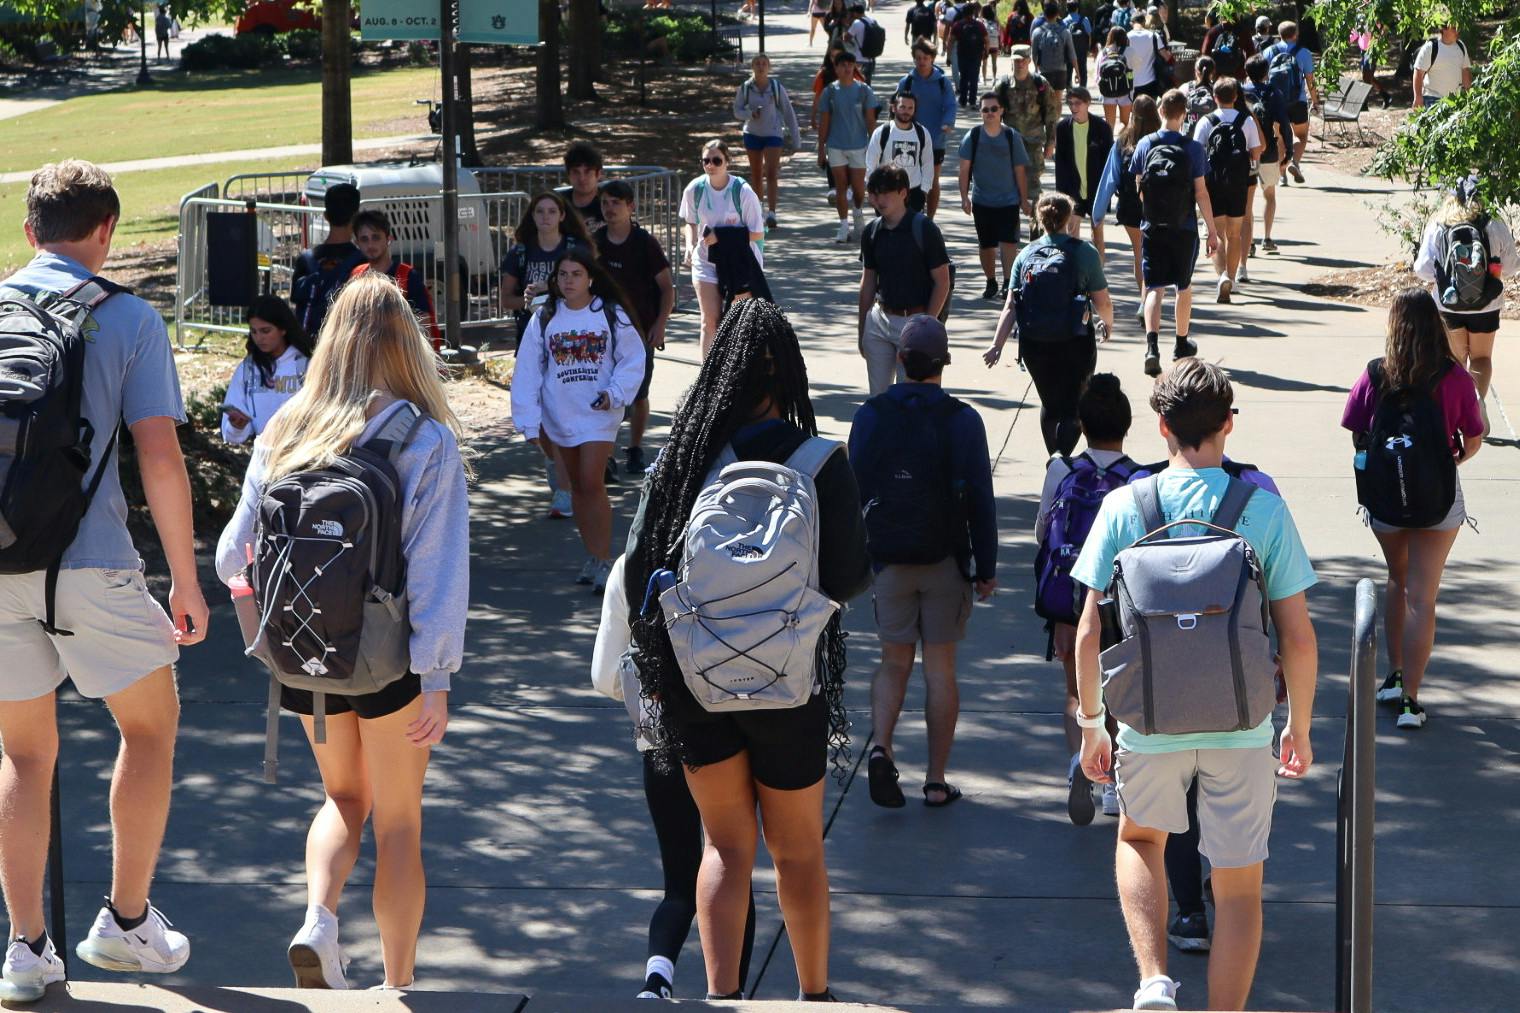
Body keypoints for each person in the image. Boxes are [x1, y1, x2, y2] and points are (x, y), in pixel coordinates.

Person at [214, 273, 468, 991]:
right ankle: (397, 985)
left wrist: (266, 622)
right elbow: (437, 574)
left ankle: (318, 920)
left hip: (304, 659)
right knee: (399, 823)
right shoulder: (426, 439)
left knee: (342, 801)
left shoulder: (288, 425)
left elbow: (234, 554)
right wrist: (438, 677)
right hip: (390, 666)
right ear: (405, 346)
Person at [0, 160, 208, 1002]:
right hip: (92, 563)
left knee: (21, 752)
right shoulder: (128, 318)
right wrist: (185, 582)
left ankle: (23, 947)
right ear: (109, 230)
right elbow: (158, 456)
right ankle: (126, 925)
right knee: (150, 727)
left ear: (29, 233)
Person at [624, 299, 871, 1003]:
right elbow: (851, 576)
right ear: (785, 375)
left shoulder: (684, 458)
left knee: (725, 850)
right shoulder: (822, 461)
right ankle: (813, 995)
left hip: (697, 683)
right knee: (798, 852)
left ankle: (723, 997)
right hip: (791, 682)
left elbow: (640, 571)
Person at [1073, 357, 1319, 1013]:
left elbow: (1089, 630)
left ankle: (1154, 980)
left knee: (1139, 838)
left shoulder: (1126, 505)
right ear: (1228, 425)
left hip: (1149, 721)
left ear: (1160, 427)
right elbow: (1297, 635)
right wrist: (1297, 724)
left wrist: (1093, 723)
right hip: (1240, 721)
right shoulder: (1261, 509)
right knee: (1238, 888)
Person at [592, 561, 759, 1000]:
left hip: (662, 741)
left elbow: (604, 676)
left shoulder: (630, 565)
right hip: (730, 737)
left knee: (679, 882)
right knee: (732, 866)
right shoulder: (742, 553)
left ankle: (657, 978)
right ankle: (728, 993)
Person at [850, 315, 998, 810]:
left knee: (893, 662)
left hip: (888, 558)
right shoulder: (962, 420)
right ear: (944, 363)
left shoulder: (870, 416)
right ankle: (935, 780)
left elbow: (856, 489)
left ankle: (881, 747)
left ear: (899, 359)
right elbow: (980, 497)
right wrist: (987, 565)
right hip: (945, 559)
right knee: (940, 668)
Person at [1341, 289, 1483, 731]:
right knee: (1423, 596)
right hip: (1437, 500)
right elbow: (1474, 436)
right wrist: (1451, 458)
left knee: (1397, 578)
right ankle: (1410, 702)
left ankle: (1394, 673)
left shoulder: (1375, 375)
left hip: (1386, 501)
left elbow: (1355, 429)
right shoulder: (1455, 378)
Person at [512, 247, 645, 593]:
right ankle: (593, 556)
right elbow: (527, 369)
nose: (568, 281)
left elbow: (633, 358)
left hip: (599, 413)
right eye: (562, 275)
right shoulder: (545, 317)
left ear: (591, 278)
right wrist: (527, 419)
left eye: (576, 274)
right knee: (576, 489)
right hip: (560, 413)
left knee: (591, 481)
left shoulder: (611, 314)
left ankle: (605, 562)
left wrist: (615, 393)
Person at [1032, 373, 1132, 824]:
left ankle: (1080, 763)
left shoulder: (1062, 470)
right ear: (1126, 424)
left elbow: (1041, 532)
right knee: (1120, 691)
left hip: (1070, 600)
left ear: (1082, 424)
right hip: (1119, 603)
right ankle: (1115, 786)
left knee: (1077, 690)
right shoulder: (1140, 477)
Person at [984, 192, 1114, 456]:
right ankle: (1061, 459)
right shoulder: (1084, 253)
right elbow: (1103, 301)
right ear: (1069, 218)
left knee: (1050, 404)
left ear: (1039, 220)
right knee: (1074, 405)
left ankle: (1053, 459)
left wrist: (996, 345)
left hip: (1035, 343)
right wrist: (1107, 323)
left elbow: (1010, 305)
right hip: (1075, 341)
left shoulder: (1026, 254)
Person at [502, 191, 595, 519]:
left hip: (572, 343)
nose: (545, 217)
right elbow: (507, 300)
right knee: (544, 419)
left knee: (568, 413)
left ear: (561, 215)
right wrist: (528, 299)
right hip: (534, 343)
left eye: (551, 211)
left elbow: (593, 291)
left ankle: (569, 486)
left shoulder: (574, 251)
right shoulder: (521, 253)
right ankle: (562, 480)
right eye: (539, 211)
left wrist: (552, 290)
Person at [1412, 180, 1517, 430]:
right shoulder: (1493, 223)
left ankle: (1457, 411)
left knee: (1455, 360)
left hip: (1448, 305)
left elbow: (1422, 269)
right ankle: (1477, 401)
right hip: (1487, 304)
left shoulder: (1439, 225)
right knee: (1481, 357)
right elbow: (1513, 265)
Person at [1131, 88, 1218, 377]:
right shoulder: (1192, 148)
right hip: (1184, 228)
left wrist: (1155, 210)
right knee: (1183, 286)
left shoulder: (1145, 144)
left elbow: (1139, 188)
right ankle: (1181, 343)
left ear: (1160, 111)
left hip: (1153, 226)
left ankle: (1151, 347)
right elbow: (1202, 192)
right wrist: (1212, 230)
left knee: (1154, 287)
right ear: (1183, 115)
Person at [596, 180, 675, 477]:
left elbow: (667, 289)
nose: (610, 208)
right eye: (605, 203)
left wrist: (660, 324)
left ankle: (636, 448)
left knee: (639, 395)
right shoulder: (596, 243)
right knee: (606, 394)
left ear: (631, 207)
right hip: (603, 334)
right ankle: (605, 455)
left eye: (616, 202)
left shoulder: (645, 243)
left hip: (641, 332)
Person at [858, 166, 953, 394]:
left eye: (886, 193)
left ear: (903, 193)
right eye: (874, 193)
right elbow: (868, 280)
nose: (879, 200)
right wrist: (862, 327)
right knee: (879, 400)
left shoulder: (924, 229)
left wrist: (924, 327)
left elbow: (942, 281)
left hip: (914, 321)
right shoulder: (871, 231)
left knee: (912, 397)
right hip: (879, 321)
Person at [680, 139, 767, 355]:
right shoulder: (694, 189)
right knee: (709, 321)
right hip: (705, 261)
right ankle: (708, 380)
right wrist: (690, 245)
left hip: (739, 263)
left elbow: (757, 233)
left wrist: (722, 236)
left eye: (716, 160)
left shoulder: (743, 192)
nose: (710, 165)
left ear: (727, 161)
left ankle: (737, 375)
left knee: (738, 323)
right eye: (706, 161)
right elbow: (690, 222)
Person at [1192, 77, 1263, 303]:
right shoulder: (1247, 120)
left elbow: (1196, 152)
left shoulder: (1206, 121)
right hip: (1238, 183)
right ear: (1235, 97)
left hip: (1213, 183)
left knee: (1218, 233)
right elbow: (1256, 152)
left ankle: (1221, 275)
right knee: (1235, 234)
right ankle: (1231, 279)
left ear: (1215, 98)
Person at [959, 91, 1034, 299]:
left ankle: (1009, 282)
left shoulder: (1012, 137)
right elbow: (964, 170)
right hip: (982, 201)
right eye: (985, 110)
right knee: (986, 245)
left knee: (1009, 243)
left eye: (993, 109)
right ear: (981, 113)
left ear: (1001, 111)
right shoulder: (972, 137)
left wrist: (1023, 199)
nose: (990, 113)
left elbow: (1020, 170)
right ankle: (991, 280)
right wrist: (964, 197)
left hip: (1008, 200)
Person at [1094, 91, 1160, 306]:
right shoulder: (1161, 139)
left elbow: (1109, 178)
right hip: (1159, 205)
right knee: (1154, 253)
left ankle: (1144, 303)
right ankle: (1150, 298)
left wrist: (1098, 213)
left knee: (1139, 253)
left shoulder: (1122, 141)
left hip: (1130, 206)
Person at [220, 295, 314, 445]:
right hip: (263, 458)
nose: (259, 338)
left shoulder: (307, 365)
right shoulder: (247, 369)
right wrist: (237, 426)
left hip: (302, 457)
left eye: (265, 331)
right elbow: (231, 437)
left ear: (283, 329)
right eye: (254, 331)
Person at [350, 209, 441, 349]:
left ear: (388, 240)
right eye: (364, 239)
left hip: (401, 360)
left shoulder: (407, 276)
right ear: (357, 243)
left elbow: (425, 326)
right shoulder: (356, 276)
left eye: (376, 237)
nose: (370, 245)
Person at [995, 45, 1060, 233]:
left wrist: (1051, 141)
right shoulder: (1003, 85)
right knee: (1009, 187)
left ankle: (1036, 230)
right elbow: (992, 113)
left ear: (1029, 61)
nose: (1020, 63)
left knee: (1034, 188)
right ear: (1012, 61)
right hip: (1009, 145)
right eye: (1016, 60)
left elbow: (1051, 114)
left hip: (1033, 144)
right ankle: (1010, 229)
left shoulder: (1041, 84)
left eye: (1023, 60)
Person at [734, 54, 803, 231]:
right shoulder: (746, 88)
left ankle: (772, 212)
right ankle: (759, 210)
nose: (761, 67)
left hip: (773, 134)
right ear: (752, 67)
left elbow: (788, 111)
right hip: (752, 134)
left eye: (764, 64)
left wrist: (796, 138)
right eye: (757, 64)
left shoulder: (776, 87)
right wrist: (750, 114)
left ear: (769, 67)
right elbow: (737, 111)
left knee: (771, 172)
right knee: (756, 174)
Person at [817, 52, 880, 245]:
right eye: (842, 65)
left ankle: (858, 214)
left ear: (855, 67)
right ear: (836, 68)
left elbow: (870, 121)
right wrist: (821, 148)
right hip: (836, 146)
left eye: (850, 65)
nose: (846, 68)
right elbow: (824, 122)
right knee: (841, 187)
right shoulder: (829, 92)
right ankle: (844, 226)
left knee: (859, 189)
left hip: (859, 146)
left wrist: (875, 146)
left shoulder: (864, 91)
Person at [291, 181, 364, 340]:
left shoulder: (306, 260)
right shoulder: (362, 262)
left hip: (312, 347)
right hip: (346, 344)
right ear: (356, 215)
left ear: (325, 215)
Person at [895, 41, 958, 217]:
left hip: (935, 139)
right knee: (906, 178)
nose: (922, 62)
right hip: (908, 139)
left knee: (931, 180)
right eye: (918, 58)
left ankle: (928, 219)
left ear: (932, 59)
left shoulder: (942, 83)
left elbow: (950, 105)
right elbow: (896, 106)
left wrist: (947, 123)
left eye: (926, 58)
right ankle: (905, 214)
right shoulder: (906, 82)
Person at [1241, 54, 1291, 256]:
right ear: (1266, 72)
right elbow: (1284, 124)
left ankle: (1249, 241)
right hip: (1269, 151)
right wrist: (1288, 151)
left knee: (1247, 200)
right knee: (1269, 195)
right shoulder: (1273, 93)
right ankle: (1267, 238)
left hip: (1247, 153)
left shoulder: (1241, 93)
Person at [1054, 85, 1113, 255]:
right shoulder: (1063, 128)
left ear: (1088, 103)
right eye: (1070, 103)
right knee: (1072, 234)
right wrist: (1061, 195)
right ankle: (1075, 274)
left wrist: (1109, 191)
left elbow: (1109, 163)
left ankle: (1097, 275)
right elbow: (1061, 164)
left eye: (1077, 103)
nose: (1073, 108)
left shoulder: (1102, 128)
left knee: (1097, 235)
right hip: (1073, 190)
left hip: (1097, 191)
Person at [865, 90, 936, 214]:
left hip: (914, 192)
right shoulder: (882, 132)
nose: (906, 111)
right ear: (894, 108)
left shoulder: (922, 133)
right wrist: (872, 191)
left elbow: (928, 164)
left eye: (910, 108)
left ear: (914, 110)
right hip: (885, 192)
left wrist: (924, 191)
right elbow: (871, 164)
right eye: (902, 107)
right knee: (887, 231)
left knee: (912, 232)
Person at [1262, 21, 1316, 184]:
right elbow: (1310, 80)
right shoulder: (1304, 53)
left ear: (1279, 34)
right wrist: (1315, 100)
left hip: (1276, 102)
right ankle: (1294, 162)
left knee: (1279, 138)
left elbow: (1264, 78)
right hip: (1297, 102)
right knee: (1301, 136)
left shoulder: (1269, 51)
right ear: (1295, 34)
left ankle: (1282, 175)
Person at [1411, 19, 1471, 107]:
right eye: (1454, 28)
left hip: (1455, 100)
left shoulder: (1461, 46)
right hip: (1432, 99)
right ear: (1444, 29)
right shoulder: (1430, 47)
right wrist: (1418, 97)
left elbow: (1465, 71)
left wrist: (1468, 95)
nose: (1457, 31)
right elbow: (1418, 73)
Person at [1031, 0, 1079, 97]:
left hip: (1044, 72)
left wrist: (1036, 70)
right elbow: (1072, 54)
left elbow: (1034, 54)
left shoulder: (1037, 32)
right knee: (1058, 102)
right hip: (1061, 72)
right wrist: (1077, 72)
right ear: (1057, 14)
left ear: (1044, 14)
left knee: (1045, 101)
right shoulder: (1065, 32)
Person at [563, 141, 607, 234]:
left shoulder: (610, 203)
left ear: (599, 174)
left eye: (587, 172)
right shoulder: (558, 204)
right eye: (576, 172)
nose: (582, 178)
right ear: (568, 175)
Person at [951, 4, 989, 107]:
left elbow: (951, 41)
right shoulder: (979, 25)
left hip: (962, 55)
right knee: (974, 78)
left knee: (964, 77)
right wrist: (986, 51)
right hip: (976, 55)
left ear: (963, 13)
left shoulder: (958, 25)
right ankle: (972, 101)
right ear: (972, 13)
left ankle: (963, 100)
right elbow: (986, 39)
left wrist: (948, 56)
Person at [1199, 7, 1252, 79]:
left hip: (1217, 77)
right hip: (1238, 76)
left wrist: (1211, 73)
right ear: (1237, 14)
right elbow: (1251, 54)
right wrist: (1244, 72)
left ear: (1221, 14)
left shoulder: (1213, 32)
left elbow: (1205, 54)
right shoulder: (1243, 31)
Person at [1123, 7, 1164, 99]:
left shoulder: (1125, 37)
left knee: (1135, 111)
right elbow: (1165, 55)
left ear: (1131, 23)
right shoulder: (1154, 36)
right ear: (1144, 22)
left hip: (1131, 83)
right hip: (1151, 82)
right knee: (1149, 110)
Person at [1097, 26, 1134, 126]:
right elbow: (1137, 70)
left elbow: (1098, 75)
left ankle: (1109, 141)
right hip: (1125, 91)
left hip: (1107, 92)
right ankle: (1124, 141)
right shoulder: (1130, 51)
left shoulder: (1103, 53)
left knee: (1109, 124)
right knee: (1125, 124)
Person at [1181, 55, 1218, 137]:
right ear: (1213, 72)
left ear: (1196, 71)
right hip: (1210, 136)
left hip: (1189, 137)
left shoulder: (1185, 88)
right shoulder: (1217, 90)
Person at [1063, 0, 1093, 87]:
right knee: (1083, 71)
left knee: (1068, 72)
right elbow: (1089, 35)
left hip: (1069, 51)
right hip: (1081, 51)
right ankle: (1082, 90)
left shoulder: (1064, 22)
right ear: (1077, 8)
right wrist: (1088, 48)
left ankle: (1069, 91)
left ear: (1067, 8)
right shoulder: (1085, 19)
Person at [981, 4, 1002, 81]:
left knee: (984, 62)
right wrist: (1000, 44)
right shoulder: (996, 21)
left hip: (986, 44)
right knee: (994, 62)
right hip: (995, 43)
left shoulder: (982, 21)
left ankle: (984, 79)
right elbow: (999, 32)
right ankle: (994, 77)